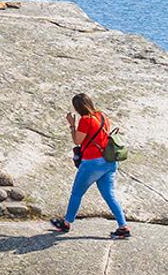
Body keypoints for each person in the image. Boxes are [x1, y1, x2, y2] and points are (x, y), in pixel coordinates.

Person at [53, 93, 130, 238]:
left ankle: (67, 223)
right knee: (109, 195)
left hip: (92, 163)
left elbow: (77, 140)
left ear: (78, 108)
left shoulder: (85, 120)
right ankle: (123, 226)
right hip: (109, 161)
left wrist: (71, 124)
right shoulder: (102, 116)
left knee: (76, 193)